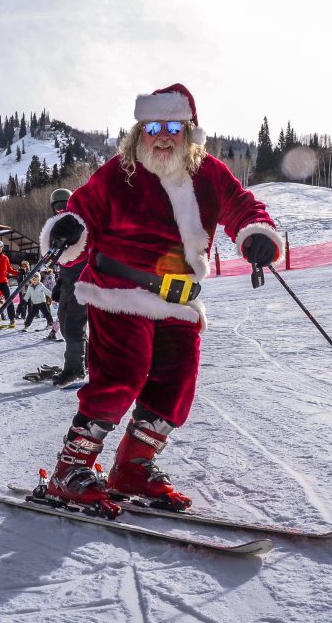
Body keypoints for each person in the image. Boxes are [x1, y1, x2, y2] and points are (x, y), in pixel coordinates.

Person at [38, 83, 283, 517]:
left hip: (180, 299)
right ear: (139, 132)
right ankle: (70, 469)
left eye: (173, 126)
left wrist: (255, 234)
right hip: (119, 293)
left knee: (177, 385)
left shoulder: (209, 172)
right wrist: (67, 227)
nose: (163, 135)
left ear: (189, 131)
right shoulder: (119, 171)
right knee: (122, 374)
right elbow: (83, 209)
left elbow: (242, 206)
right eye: (153, 126)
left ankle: (133, 466)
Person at [48, 188, 88, 384]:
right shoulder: (57, 227)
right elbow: (62, 261)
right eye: (57, 206)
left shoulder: (80, 223)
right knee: (64, 324)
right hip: (67, 282)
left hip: (84, 281)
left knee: (73, 325)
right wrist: (59, 283)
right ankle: (86, 359)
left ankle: (74, 368)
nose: (61, 209)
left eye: (65, 204)